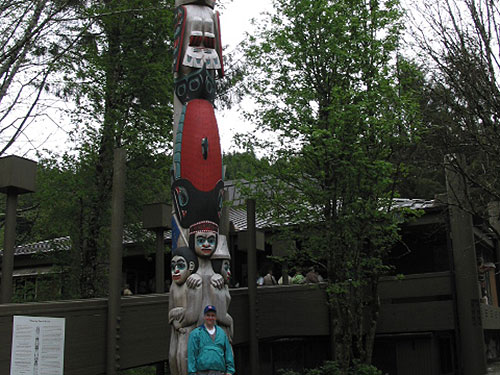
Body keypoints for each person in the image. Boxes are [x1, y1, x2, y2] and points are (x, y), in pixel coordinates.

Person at [188, 305, 235, 375]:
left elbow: (228, 353)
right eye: (208, 315)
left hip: (219, 371)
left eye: (212, 315)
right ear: (204, 317)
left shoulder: (222, 333)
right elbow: (191, 354)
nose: (210, 318)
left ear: (215, 317)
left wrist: (230, 371)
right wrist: (192, 372)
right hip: (202, 372)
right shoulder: (196, 333)